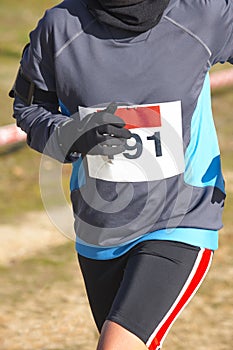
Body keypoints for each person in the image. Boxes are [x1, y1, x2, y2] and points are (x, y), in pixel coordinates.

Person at [10, 0, 233, 349]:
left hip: (182, 218)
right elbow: (29, 108)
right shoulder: (60, 26)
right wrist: (71, 135)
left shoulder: (202, 12)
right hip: (100, 229)